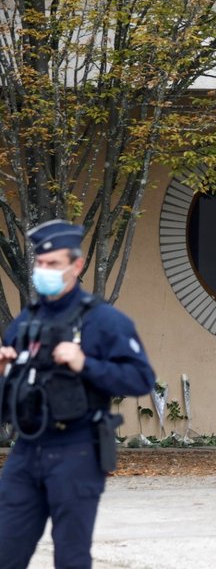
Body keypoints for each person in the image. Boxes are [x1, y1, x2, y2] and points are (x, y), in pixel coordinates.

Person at [0, 219, 156, 569]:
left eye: (53, 264)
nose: (44, 271)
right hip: (25, 452)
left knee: (71, 557)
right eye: (40, 264)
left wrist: (85, 362)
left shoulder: (104, 321)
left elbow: (140, 378)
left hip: (76, 450)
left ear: (77, 265)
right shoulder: (24, 323)